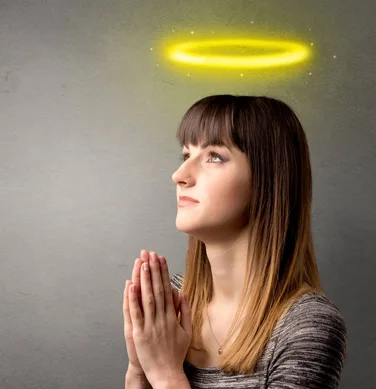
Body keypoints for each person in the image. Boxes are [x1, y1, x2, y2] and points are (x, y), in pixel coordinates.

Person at [123, 95, 348, 388]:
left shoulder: (306, 325)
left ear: (268, 178)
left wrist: (166, 374)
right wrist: (139, 370)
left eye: (214, 156)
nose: (179, 175)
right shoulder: (170, 302)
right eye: (186, 155)